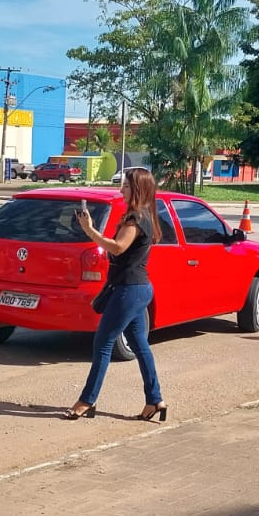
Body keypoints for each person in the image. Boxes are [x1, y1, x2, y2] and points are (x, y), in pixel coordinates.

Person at [65, 167, 165, 423]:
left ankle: (87, 400)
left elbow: (119, 248)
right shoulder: (145, 216)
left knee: (103, 343)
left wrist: (90, 231)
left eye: (126, 187)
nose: (121, 190)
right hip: (140, 289)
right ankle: (155, 399)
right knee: (140, 345)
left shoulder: (135, 219)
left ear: (138, 189)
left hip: (129, 291)